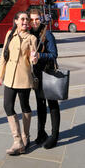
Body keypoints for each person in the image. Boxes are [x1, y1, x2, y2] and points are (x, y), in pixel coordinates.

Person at [0, 11, 38, 155]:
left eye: (27, 19)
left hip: (24, 77)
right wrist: (0, 74)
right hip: (9, 77)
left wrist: (35, 57)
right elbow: (4, 55)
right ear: (16, 21)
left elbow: (33, 59)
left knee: (25, 106)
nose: (25, 21)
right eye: (22, 19)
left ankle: (25, 137)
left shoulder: (32, 38)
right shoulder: (9, 35)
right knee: (7, 106)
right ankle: (17, 140)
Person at [29, 8, 60, 149]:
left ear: (41, 19)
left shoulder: (47, 34)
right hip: (37, 75)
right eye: (32, 19)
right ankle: (41, 133)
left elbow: (54, 54)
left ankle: (54, 136)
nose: (34, 22)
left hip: (48, 73)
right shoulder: (30, 33)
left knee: (52, 105)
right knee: (40, 105)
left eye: (37, 19)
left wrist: (40, 56)